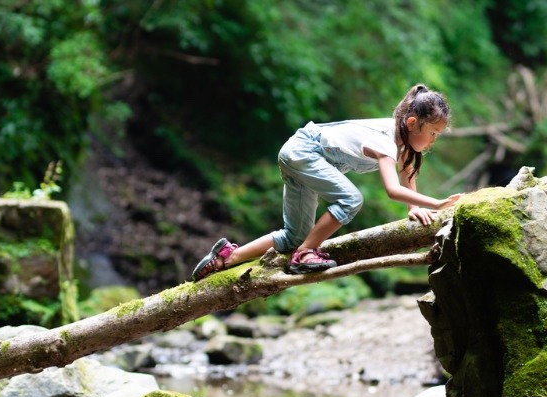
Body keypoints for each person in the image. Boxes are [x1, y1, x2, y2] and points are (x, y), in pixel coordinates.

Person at [192, 83, 464, 281]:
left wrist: (413, 208)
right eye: (432, 133)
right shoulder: (384, 139)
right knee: (351, 199)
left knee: (293, 235)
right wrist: (437, 203)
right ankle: (306, 253)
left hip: (299, 156)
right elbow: (393, 190)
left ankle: (226, 257)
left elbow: (407, 174)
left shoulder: (401, 140)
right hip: (303, 151)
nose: (433, 140)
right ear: (413, 122)